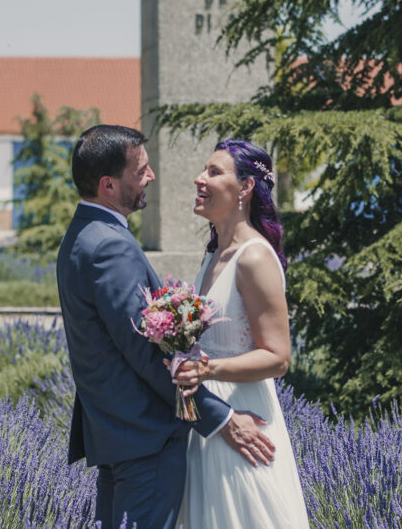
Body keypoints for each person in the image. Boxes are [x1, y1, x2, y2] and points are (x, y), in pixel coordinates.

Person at [56, 125, 276, 529]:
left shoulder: (80, 237)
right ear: (108, 184)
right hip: (145, 439)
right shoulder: (109, 245)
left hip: (117, 434)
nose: (152, 176)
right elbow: (144, 351)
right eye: (140, 170)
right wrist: (222, 419)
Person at [174, 139, 311, 528]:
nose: (200, 179)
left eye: (214, 172)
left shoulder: (254, 257)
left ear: (246, 187)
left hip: (245, 416)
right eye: (204, 170)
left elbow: (278, 357)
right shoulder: (212, 256)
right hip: (207, 417)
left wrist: (206, 370)